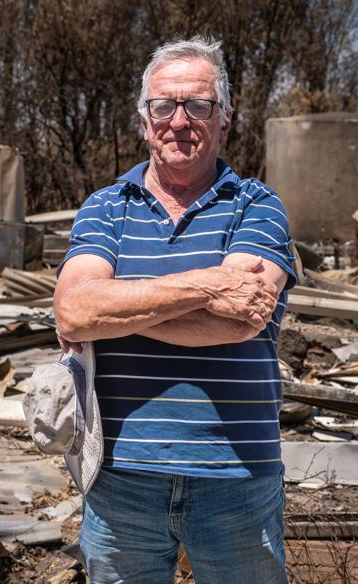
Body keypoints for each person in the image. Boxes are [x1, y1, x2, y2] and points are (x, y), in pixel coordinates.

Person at [54, 35, 296, 584]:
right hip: (119, 478)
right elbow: (74, 313)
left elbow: (241, 320)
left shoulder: (258, 205)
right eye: (163, 106)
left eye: (198, 106)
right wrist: (210, 282)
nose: (179, 121)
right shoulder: (106, 208)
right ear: (145, 120)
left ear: (225, 120)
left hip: (235, 475)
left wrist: (122, 309)